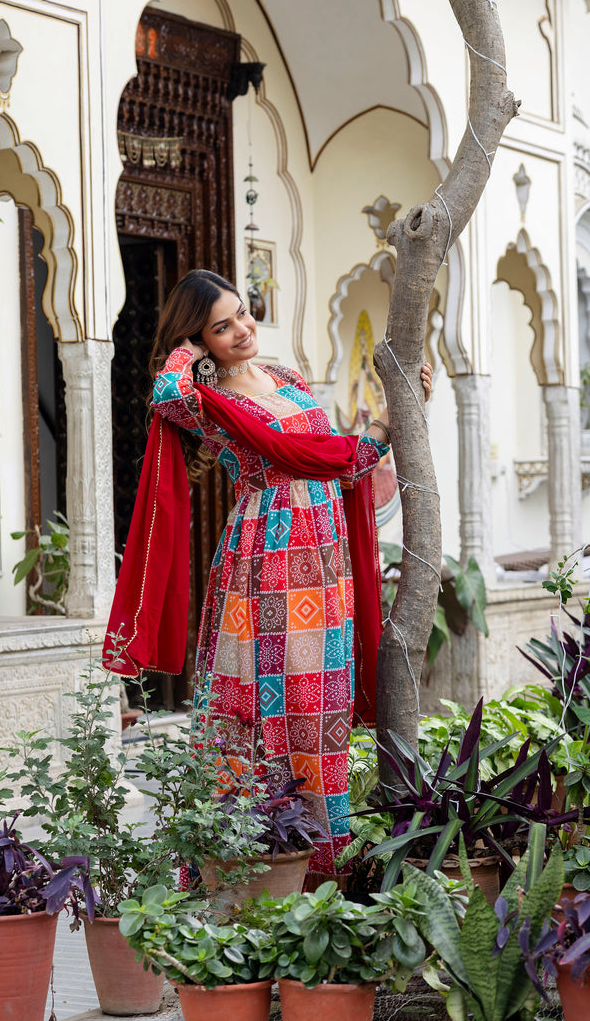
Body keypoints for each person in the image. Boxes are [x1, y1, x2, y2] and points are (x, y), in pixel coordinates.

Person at [105, 268, 432, 878]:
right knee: (269, 701)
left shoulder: (284, 377)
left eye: (243, 314)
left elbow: (340, 456)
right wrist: (188, 347)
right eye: (221, 327)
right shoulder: (210, 402)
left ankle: (321, 871)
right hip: (269, 554)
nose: (242, 330)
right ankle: (252, 865)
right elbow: (165, 393)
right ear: (201, 341)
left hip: (325, 557)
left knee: (321, 704)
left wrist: (394, 419)